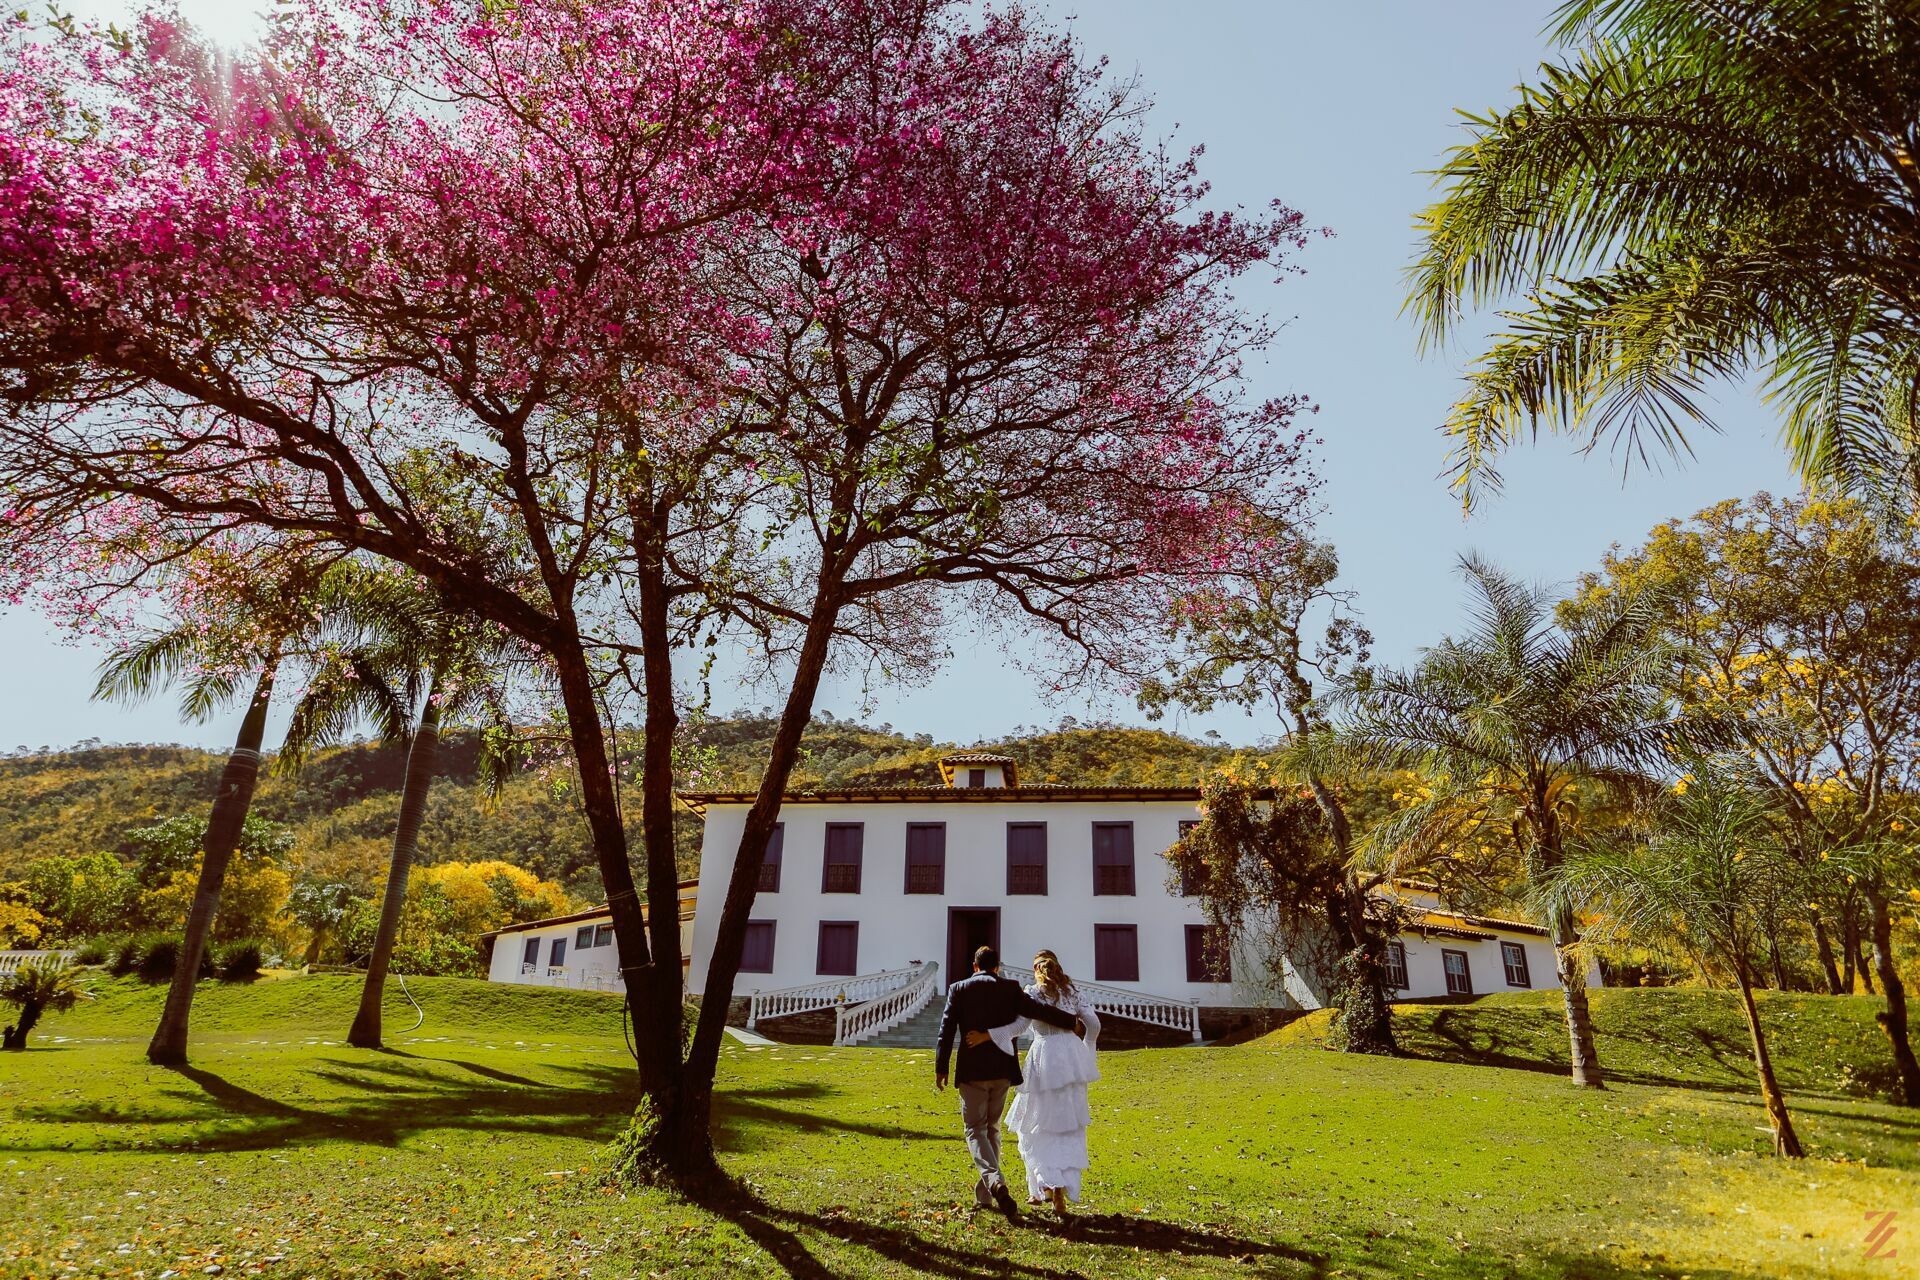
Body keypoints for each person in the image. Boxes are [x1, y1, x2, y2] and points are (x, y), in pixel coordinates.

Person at [935, 945, 1084, 1217]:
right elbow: (1039, 1010)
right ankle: (985, 1197)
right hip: (1002, 1071)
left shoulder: (958, 989)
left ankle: (994, 1181)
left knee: (974, 1129)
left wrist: (941, 1067)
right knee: (991, 1128)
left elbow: (946, 1029)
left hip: (972, 1072)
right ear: (997, 968)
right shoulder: (1011, 988)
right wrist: (1070, 1021)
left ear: (974, 966)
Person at [970, 949, 1101, 1214]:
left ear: (1037, 970)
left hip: (1045, 1057)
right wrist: (1087, 1048)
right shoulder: (1073, 993)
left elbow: (1018, 1028)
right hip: (1072, 1060)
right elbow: (1094, 1024)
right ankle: (1059, 1188)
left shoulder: (1032, 993)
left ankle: (1046, 1183)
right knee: (1068, 1123)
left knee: (1036, 1124)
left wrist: (987, 1036)